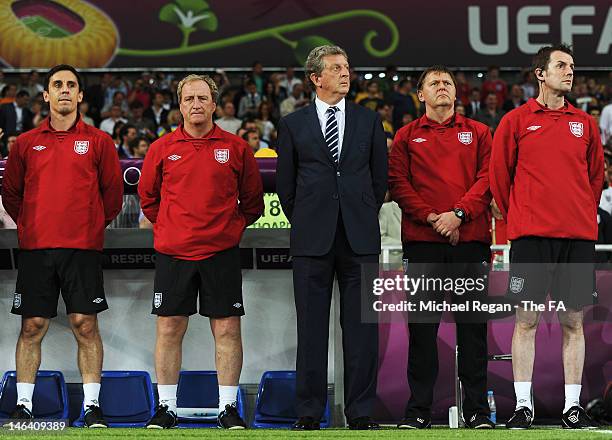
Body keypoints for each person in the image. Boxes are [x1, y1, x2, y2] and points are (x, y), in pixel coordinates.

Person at [139, 74, 264, 430]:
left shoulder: (236, 148)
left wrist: (230, 229)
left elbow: (252, 202)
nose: (195, 104)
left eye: (202, 98)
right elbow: (148, 198)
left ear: (214, 104)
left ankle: (228, 409)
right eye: (189, 98)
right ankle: (166, 408)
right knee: (169, 329)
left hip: (220, 253)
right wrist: (169, 227)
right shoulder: (161, 148)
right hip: (174, 253)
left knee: (227, 330)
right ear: (180, 105)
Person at [1, 64, 123, 427]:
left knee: (85, 324)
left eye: (71, 85)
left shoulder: (100, 142)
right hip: (37, 248)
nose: (65, 90)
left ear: (81, 95)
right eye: (58, 85)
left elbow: (112, 196)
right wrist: (35, 226)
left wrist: (86, 226)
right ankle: (23, 405)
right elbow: (12, 194)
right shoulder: (25, 143)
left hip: (82, 248)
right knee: (32, 325)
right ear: (46, 95)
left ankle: (91, 407)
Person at [490, 44, 604, 429]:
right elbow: (499, 178)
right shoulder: (516, 121)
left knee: (573, 322)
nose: (569, 72)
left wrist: (579, 215)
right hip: (531, 237)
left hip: (576, 237)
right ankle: (524, 406)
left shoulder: (585, 123)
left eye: (572, 66)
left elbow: (594, 179)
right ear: (540, 73)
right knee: (527, 320)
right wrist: (521, 216)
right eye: (561, 65)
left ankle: (573, 407)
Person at [276, 45, 387, 430]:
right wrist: (308, 220)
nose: (346, 73)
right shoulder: (292, 125)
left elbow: (379, 182)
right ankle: (308, 413)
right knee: (311, 330)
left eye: (347, 66)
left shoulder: (369, 121)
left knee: (362, 332)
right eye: (337, 67)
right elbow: (285, 188)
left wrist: (358, 215)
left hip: (360, 239)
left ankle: (360, 413)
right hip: (311, 240)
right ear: (316, 78)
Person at [388, 65, 494, 430]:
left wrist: (458, 214)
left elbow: (487, 180)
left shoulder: (479, 132)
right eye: (433, 83)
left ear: (456, 92)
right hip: (423, 246)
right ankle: (419, 410)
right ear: (421, 95)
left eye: (447, 82)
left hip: (471, 243)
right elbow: (399, 184)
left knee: (473, 332)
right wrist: (435, 218)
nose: (442, 87)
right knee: (422, 332)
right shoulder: (405, 136)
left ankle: (478, 411)